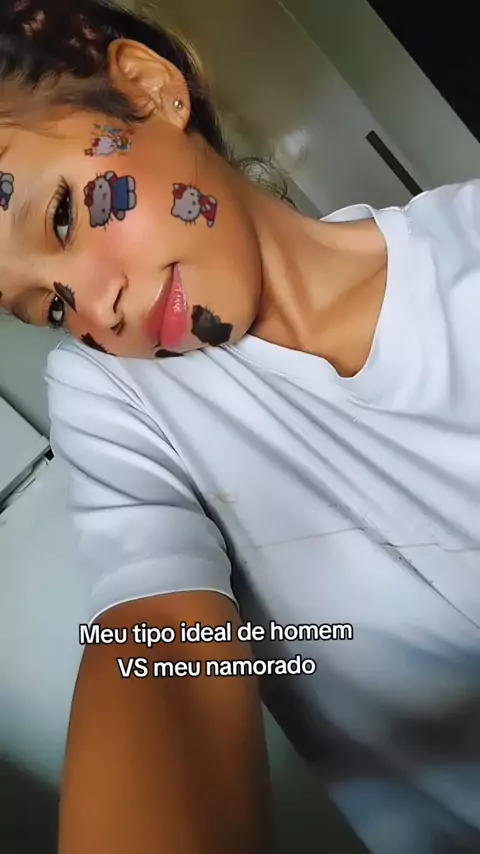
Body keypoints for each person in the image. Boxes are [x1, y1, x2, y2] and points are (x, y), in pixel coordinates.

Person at [0, 0, 479, 852]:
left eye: (64, 216)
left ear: (147, 90)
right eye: (53, 308)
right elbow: (161, 648)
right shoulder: (118, 392)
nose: (99, 312)